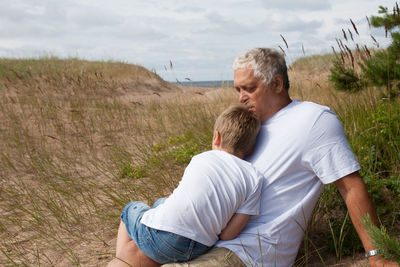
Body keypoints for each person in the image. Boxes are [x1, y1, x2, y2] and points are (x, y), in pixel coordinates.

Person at [162, 48, 398, 267]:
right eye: (238, 90)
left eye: (249, 88)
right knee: (132, 250)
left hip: (251, 253)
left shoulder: (313, 120)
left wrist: (378, 255)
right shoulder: (249, 129)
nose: (241, 97)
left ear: (276, 83)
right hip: (209, 240)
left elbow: (350, 186)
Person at [108, 103, 264, 267]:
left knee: (130, 209)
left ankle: (121, 261)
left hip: (163, 240)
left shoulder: (201, 158)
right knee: (161, 202)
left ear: (216, 137)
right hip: (200, 246)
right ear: (252, 149)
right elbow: (228, 235)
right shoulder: (255, 177)